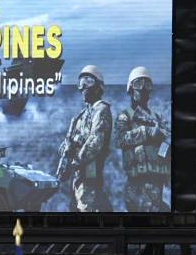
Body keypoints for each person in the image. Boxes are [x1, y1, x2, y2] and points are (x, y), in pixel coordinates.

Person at [57, 64, 113, 211]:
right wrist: (65, 150)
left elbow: (94, 143)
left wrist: (73, 163)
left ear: (98, 86)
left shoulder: (102, 111)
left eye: (88, 81)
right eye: (81, 83)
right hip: (78, 178)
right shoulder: (81, 116)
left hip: (90, 176)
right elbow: (68, 143)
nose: (83, 87)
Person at [115, 66, 170, 211]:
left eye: (148, 85)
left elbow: (168, 141)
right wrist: (146, 132)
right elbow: (120, 139)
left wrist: (163, 143)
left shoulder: (157, 118)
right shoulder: (125, 116)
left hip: (156, 178)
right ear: (131, 88)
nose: (144, 89)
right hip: (136, 180)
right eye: (139, 84)